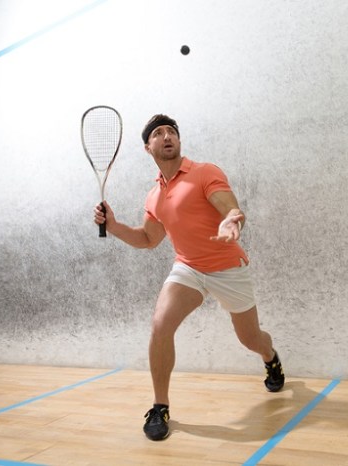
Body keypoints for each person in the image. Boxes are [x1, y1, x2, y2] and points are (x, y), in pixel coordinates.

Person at [93, 114, 284, 441]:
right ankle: (160, 406)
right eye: (158, 133)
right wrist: (113, 227)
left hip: (227, 266)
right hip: (189, 268)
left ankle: (270, 357)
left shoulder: (204, 172)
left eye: (172, 132)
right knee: (160, 324)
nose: (167, 136)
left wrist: (232, 218)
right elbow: (149, 240)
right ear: (147, 147)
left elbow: (229, 206)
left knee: (250, 339)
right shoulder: (154, 196)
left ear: (178, 141)